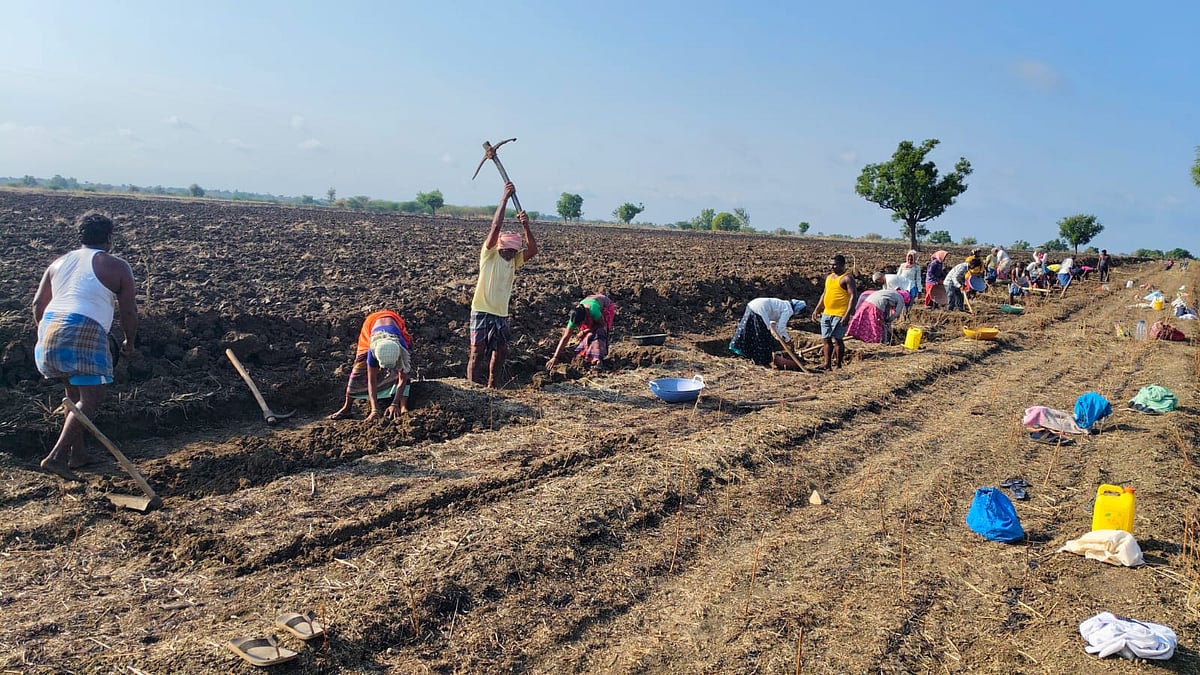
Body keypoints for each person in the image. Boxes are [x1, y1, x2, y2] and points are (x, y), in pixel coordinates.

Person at [33, 212, 138, 481]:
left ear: (80, 236)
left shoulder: (58, 263)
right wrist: (129, 341)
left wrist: (46, 334)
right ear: (109, 238)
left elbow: (37, 305)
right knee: (91, 399)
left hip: (49, 329)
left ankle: (76, 455)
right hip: (84, 329)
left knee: (73, 394)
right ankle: (56, 457)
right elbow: (129, 312)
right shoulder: (116, 266)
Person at [468, 182, 537, 387]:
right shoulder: (489, 254)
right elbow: (495, 227)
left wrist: (526, 226)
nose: (508, 254)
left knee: (501, 352)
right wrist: (505, 198)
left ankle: (492, 386)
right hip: (481, 309)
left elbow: (533, 250)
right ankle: (472, 388)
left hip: (500, 313)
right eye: (505, 250)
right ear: (500, 247)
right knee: (476, 352)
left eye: (511, 252)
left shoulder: (513, 261)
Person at [328, 310, 414, 421]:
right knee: (358, 371)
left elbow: (403, 377)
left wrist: (394, 404)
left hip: (394, 327)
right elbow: (371, 380)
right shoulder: (372, 350)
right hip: (371, 328)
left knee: (404, 371)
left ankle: (402, 406)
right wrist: (374, 410)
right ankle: (347, 408)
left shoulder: (401, 347)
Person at [729, 297, 807, 366]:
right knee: (763, 338)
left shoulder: (783, 304)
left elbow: (773, 324)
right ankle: (761, 360)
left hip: (752, 305)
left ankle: (747, 353)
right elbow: (781, 328)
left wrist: (779, 338)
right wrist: (788, 341)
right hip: (759, 310)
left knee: (750, 332)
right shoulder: (788, 310)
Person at [546, 294, 616, 370]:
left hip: (605, 306)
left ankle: (598, 359)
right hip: (590, 305)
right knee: (588, 335)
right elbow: (566, 336)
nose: (579, 326)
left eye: (580, 323)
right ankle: (587, 356)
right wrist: (555, 357)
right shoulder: (575, 316)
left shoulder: (593, 310)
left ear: (585, 318)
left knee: (599, 332)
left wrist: (584, 331)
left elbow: (602, 324)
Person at [811, 255, 857, 370]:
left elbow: (853, 296)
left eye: (835, 264)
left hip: (840, 314)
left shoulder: (847, 278)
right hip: (827, 313)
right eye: (830, 264)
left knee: (837, 339)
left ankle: (838, 364)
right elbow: (824, 294)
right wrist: (817, 309)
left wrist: (847, 314)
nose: (832, 266)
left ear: (842, 265)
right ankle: (827, 364)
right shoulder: (829, 277)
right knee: (826, 339)